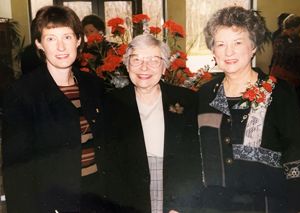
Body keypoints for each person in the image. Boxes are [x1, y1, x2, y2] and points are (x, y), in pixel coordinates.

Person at [2, 5, 119, 212]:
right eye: (51, 38)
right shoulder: (22, 93)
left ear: (79, 40)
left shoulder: (93, 85)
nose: (61, 47)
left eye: (67, 37)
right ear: (39, 44)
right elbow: (17, 173)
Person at [199, 6, 300, 213]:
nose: (229, 52)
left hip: (265, 206)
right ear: (213, 50)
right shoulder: (205, 94)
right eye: (220, 44)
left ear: (253, 47)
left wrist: (297, 204)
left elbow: (294, 150)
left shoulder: (280, 92)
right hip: (215, 206)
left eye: (238, 42)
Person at [107, 34, 202, 213]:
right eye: (136, 60)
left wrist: (180, 205)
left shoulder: (186, 100)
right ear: (127, 65)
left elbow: (193, 159)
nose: (144, 67)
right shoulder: (111, 103)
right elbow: (111, 167)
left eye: (154, 60)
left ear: (164, 66)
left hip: (174, 193)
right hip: (129, 198)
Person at [270, 14, 300, 108]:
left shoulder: (297, 39)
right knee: (283, 104)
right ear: (293, 28)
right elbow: (286, 55)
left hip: (295, 78)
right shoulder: (279, 39)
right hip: (283, 77)